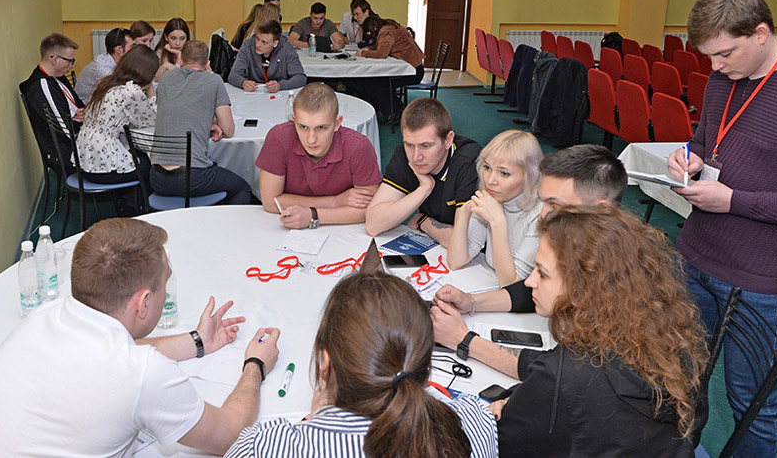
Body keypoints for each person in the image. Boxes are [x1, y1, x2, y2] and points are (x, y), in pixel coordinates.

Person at [0, 218, 281, 457]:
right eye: (165, 281)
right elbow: (232, 435)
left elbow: (117, 350)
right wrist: (255, 364)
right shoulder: (144, 373)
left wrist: (196, 342)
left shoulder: (44, 316)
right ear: (144, 302)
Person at [666, 0, 777, 456]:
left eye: (724, 53)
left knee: (751, 402)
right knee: (677, 377)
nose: (715, 67)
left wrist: (735, 201)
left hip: (762, 279)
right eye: (709, 56)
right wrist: (688, 157)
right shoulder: (724, 76)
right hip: (695, 255)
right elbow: (706, 139)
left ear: (761, 33)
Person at [491, 205, 707, 457]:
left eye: (543, 273)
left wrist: (512, 407)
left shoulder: (564, 374)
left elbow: (506, 445)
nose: (529, 281)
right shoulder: (676, 339)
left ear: (584, 288)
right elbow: (693, 429)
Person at [223, 270, 497, 458]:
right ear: (425, 365)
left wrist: (316, 419)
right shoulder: (475, 423)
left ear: (325, 365)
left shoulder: (263, 448)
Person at [431, 144, 628, 379]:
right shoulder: (592, 249)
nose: (543, 215)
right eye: (542, 202)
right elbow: (526, 293)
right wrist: (472, 302)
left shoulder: (615, 286)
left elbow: (555, 371)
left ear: (600, 209)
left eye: (555, 205)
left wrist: (463, 340)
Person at [256, 83, 381, 228]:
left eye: (321, 128)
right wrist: (335, 202)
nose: (311, 139)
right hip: (288, 224)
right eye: (303, 127)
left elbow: (371, 208)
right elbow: (271, 202)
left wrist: (312, 215)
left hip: (344, 229)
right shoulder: (279, 137)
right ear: (294, 121)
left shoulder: (358, 146)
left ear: (337, 123)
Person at [365, 98, 481, 247]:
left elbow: (465, 243)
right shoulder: (404, 157)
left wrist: (423, 222)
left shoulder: (469, 162)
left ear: (448, 140)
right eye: (409, 145)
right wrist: (424, 189)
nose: (416, 157)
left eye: (426, 146)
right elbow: (373, 225)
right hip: (437, 246)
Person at [151, 40, 253, 204]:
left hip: (157, 177)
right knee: (242, 187)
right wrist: (215, 122)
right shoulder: (213, 81)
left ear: (181, 61)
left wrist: (209, 122)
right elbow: (228, 130)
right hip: (192, 177)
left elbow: (178, 110)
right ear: (207, 65)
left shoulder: (166, 78)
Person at [448, 130, 544, 287]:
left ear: (530, 175)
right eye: (487, 167)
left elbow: (512, 285)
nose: (490, 180)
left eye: (504, 173)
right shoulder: (493, 198)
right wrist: (465, 212)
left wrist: (497, 222)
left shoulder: (540, 214)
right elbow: (456, 261)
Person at [74, 45, 158, 208]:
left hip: (83, 160)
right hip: (101, 168)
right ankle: (137, 208)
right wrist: (151, 92)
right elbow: (150, 120)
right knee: (149, 166)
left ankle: (126, 202)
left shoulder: (104, 83)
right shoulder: (131, 91)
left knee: (135, 155)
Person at [19, 32, 85, 173]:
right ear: (55, 59)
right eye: (70, 61)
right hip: (68, 154)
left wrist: (82, 115)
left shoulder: (58, 76)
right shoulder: (41, 86)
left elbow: (79, 105)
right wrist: (81, 120)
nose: (72, 66)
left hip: (78, 142)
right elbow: (66, 130)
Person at [352, 15, 425, 122]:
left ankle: (392, 113)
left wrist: (364, 53)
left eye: (370, 33)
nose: (370, 36)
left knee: (376, 84)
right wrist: (368, 48)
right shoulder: (389, 27)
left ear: (374, 28)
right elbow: (381, 46)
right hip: (413, 68)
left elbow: (381, 53)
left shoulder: (386, 32)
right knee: (376, 82)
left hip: (412, 72)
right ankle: (395, 107)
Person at [228, 19, 306, 93]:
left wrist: (281, 85)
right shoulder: (248, 46)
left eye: (264, 42)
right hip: (254, 92)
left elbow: (300, 78)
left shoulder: (286, 48)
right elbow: (233, 75)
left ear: (275, 43)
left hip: (279, 94)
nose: (258, 44)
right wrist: (243, 83)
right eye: (257, 39)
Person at [76, 27, 134, 102]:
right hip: (85, 106)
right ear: (119, 49)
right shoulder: (103, 70)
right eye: (132, 47)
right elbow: (122, 95)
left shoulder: (110, 60)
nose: (135, 50)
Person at [154, 17, 191, 83]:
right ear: (166, 37)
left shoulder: (192, 53)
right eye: (173, 38)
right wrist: (179, 56)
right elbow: (155, 81)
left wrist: (179, 54)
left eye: (182, 38)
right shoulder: (159, 54)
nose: (178, 43)